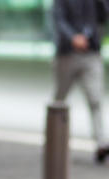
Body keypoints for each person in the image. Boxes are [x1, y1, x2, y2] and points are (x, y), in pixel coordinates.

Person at [52, 0, 109, 163]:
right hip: (67, 55)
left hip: (91, 54)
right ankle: (54, 142)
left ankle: (100, 143)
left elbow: (104, 15)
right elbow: (59, 20)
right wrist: (73, 38)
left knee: (95, 99)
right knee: (59, 102)